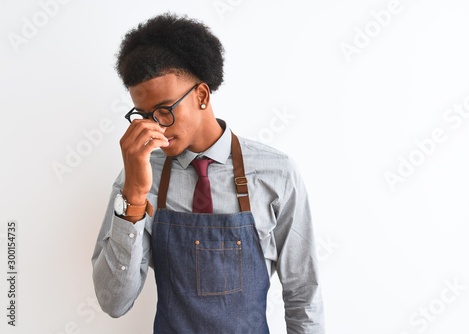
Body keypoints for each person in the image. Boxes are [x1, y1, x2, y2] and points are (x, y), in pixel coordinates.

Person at [91, 12, 324, 334]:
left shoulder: (275, 172)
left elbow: (303, 293)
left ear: (201, 95)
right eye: (143, 115)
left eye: (164, 110)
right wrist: (133, 197)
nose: (154, 126)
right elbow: (113, 302)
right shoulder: (139, 176)